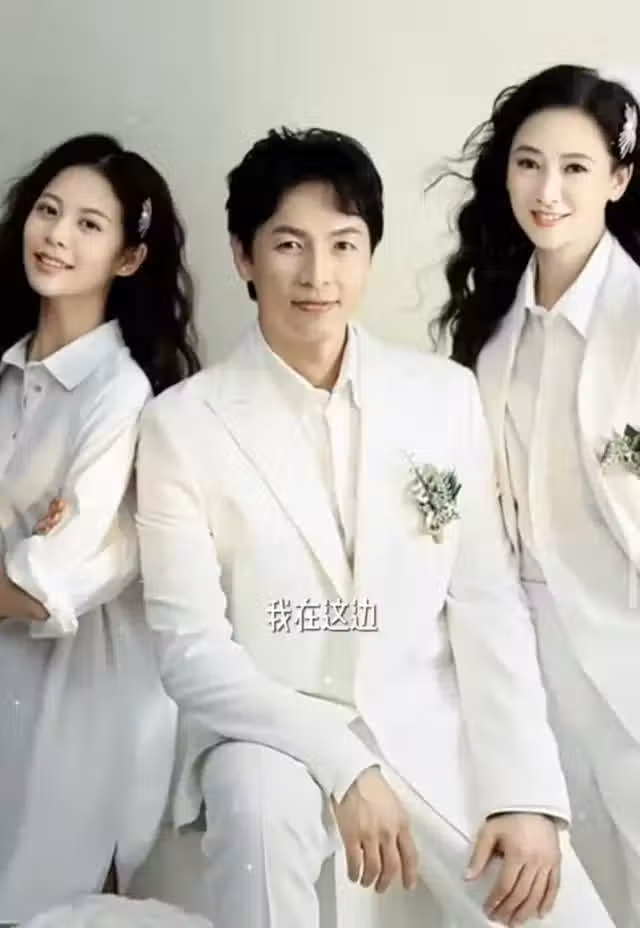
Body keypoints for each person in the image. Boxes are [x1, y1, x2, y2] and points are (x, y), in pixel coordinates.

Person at [136, 127, 613, 928]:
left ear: (369, 254)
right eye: (288, 244)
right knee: (256, 801)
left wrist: (525, 791)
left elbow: (488, 602)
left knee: (556, 910)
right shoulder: (181, 425)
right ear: (244, 256)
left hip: (426, 726)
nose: (318, 275)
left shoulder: (443, 396)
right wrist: (343, 763)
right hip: (269, 734)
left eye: (343, 244)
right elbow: (192, 654)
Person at [434, 63, 640, 926]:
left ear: (620, 179)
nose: (547, 191)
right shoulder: (492, 334)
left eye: (575, 168)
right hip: (539, 676)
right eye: (528, 163)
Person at [0, 133, 199, 922]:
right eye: (48, 211)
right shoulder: (8, 371)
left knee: (50, 900)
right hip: (14, 670)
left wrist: (35, 557)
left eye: (89, 224)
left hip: (83, 692)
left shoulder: (119, 394)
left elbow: (42, 581)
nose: (57, 235)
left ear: (129, 257)